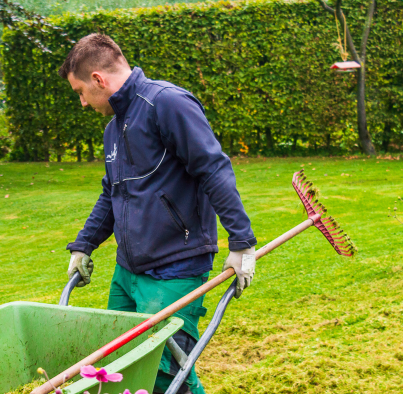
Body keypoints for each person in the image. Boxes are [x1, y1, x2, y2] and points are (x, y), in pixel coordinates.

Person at [59, 33, 257, 394]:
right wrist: (84, 245)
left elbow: (213, 169)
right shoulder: (114, 128)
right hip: (128, 270)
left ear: (99, 80)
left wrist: (242, 243)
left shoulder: (167, 104)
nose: (83, 103)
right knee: (120, 366)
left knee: (166, 371)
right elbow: (112, 193)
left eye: (80, 92)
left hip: (175, 267)